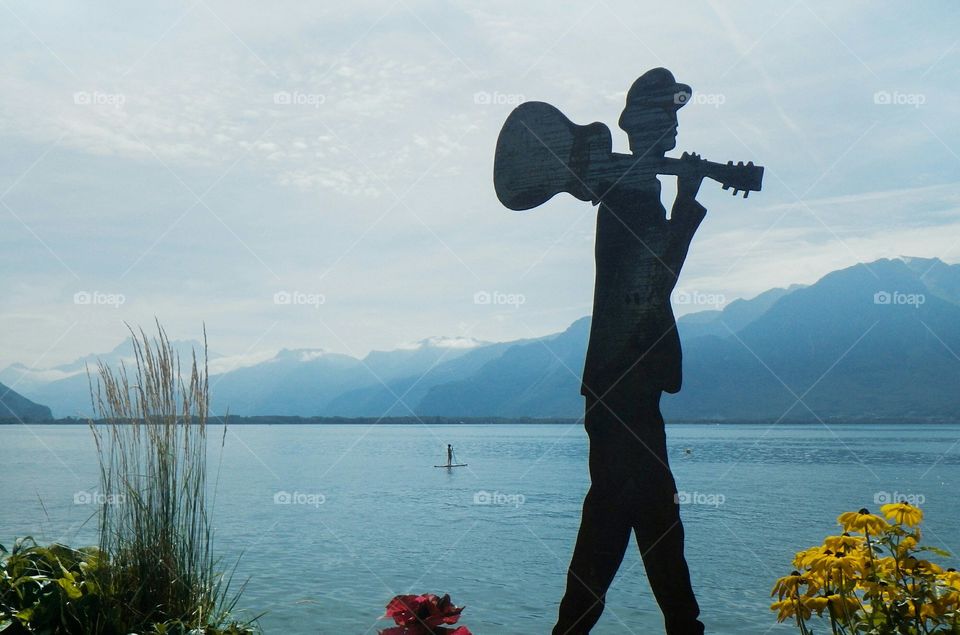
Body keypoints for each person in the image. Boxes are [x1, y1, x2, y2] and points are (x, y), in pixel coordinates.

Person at [553, 68, 706, 635]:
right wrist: (688, 198)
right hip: (624, 381)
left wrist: (681, 197)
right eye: (662, 117)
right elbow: (653, 277)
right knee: (648, 520)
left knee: (626, 519)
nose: (671, 127)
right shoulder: (633, 189)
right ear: (639, 125)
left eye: (673, 117)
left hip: (624, 381)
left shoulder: (638, 185)